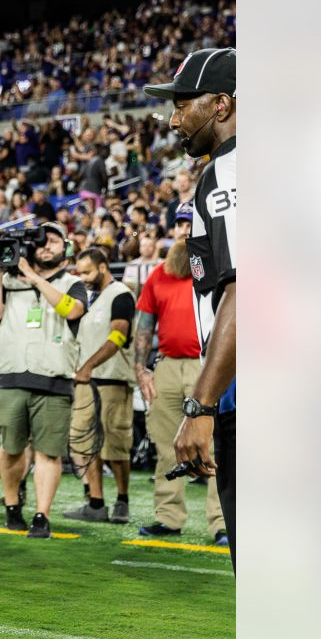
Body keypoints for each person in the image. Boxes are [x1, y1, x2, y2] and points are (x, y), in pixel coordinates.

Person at [144, 48, 237, 563]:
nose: (174, 119)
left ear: (221, 105)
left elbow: (247, 294)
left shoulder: (232, 170)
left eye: (184, 105)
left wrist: (200, 407)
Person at [0, 223, 87, 538]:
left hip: (54, 380)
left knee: (48, 452)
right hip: (11, 377)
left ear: (66, 248)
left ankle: (42, 515)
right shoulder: (8, 281)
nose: (46, 246)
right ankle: (12, 505)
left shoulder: (73, 283)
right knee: (10, 448)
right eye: (41, 242)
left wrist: (34, 276)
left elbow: (71, 310)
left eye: (54, 241)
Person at [132, 212, 227, 544]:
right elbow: (144, 326)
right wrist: (140, 369)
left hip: (210, 364)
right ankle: (168, 518)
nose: (185, 230)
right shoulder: (160, 273)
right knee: (165, 445)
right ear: (171, 230)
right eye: (179, 224)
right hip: (169, 365)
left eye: (191, 224)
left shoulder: (220, 265)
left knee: (216, 446)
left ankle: (222, 523)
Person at [62, 248, 136, 524]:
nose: (83, 278)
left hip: (112, 381)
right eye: (80, 273)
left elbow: (118, 336)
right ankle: (96, 502)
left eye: (88, 272)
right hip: (85, 382)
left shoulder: (120, 295)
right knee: (84, 443)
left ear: (103, 267)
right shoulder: (89, 300)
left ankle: (122, 500)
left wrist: (88, 365)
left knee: (115, 446)